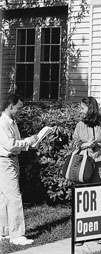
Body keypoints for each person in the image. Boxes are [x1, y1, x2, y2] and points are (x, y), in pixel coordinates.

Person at [72, 96, 101, 245]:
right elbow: (75, 142)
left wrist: (99, 144)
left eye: (82, 107)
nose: (80, 110)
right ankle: (81, 233)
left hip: (99, 163)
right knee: (82, 197)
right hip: (84, 164)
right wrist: (86, 145)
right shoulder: (79, 125)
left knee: (98, 196)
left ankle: (99, 233)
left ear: (90, 108)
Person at [0, 94, 38, 245]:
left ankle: (4, 231)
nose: (21, 111)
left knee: (5, 197)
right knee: (14, 196)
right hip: (5, 161)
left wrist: (30, 142)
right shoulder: (3, 123)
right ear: (10, 106)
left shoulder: (12, 123)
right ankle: (17, 235)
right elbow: (10, 145)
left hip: (11, 160)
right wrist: (29, 141)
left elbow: (16, 143)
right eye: (19, 108)